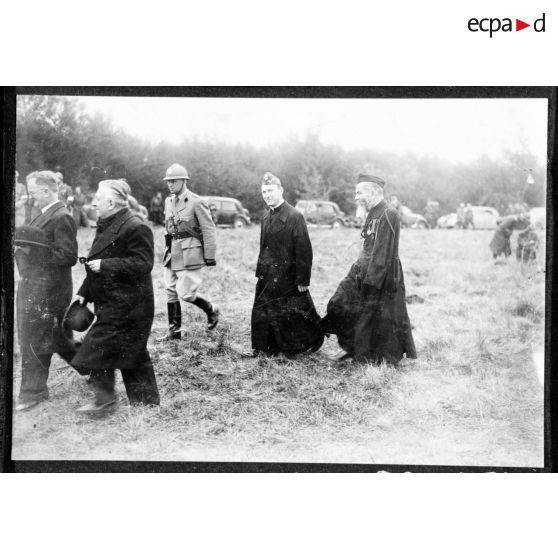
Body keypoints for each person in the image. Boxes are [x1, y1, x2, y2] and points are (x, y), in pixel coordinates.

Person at [71, 179, 160, 414]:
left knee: (99, 348)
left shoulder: (135, 226)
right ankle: (144, 404)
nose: (94, 203)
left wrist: (108, 265)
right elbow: (93, 263)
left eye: (98, 199)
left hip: (131, 305)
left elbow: (144, 263)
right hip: (113, 302)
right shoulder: (106, 222)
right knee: (129, 352)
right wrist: (83, 294)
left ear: (111, 202)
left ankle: (108, 401)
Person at [321, 174, 416, 365]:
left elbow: (382, 255)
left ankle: (367, 355)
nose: (356, 197)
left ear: (373, 191)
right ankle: (351, 348)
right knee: (338, 303)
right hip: (362, 270)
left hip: (381, 275)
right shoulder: (372, 211)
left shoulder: (388, 214)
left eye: (359, 193)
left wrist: (370, 283)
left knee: (375, 316)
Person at [14, 171, 78, 411]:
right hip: (35, 286)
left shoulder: (62, 216)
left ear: (46, 191)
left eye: (33, 193)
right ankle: (94, 367)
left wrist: (33, 254)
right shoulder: (42, 213)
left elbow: (68, 255)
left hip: (50, 290)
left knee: (40, 338)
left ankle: (33, 392)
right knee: (52, 339)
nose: (31, 198)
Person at [249, 172, 323, 357]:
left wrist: (302, 279)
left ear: (281, 191)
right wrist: (260, 272)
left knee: (294, 314)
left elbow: (304, 250)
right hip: (267, 275)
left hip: (287, 276)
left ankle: (307, 341)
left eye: (271, 191)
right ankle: (261, 347)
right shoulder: (265, 217)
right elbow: (263, 246)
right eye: (264, 191)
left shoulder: (294, 216)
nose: (267, 195)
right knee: (261, 310)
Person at [160, 163, 219, 341]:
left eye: (174, 181)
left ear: (184, 181)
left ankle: (211, 308)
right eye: (168, 181)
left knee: (186, 294)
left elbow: (208, 229)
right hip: (173, 251)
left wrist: (209, 255)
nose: (170, 184)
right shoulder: (168, 201)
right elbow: (168, 227)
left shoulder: (196, 201)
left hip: (190, 251)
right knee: (170, 290)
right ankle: (174, 331)